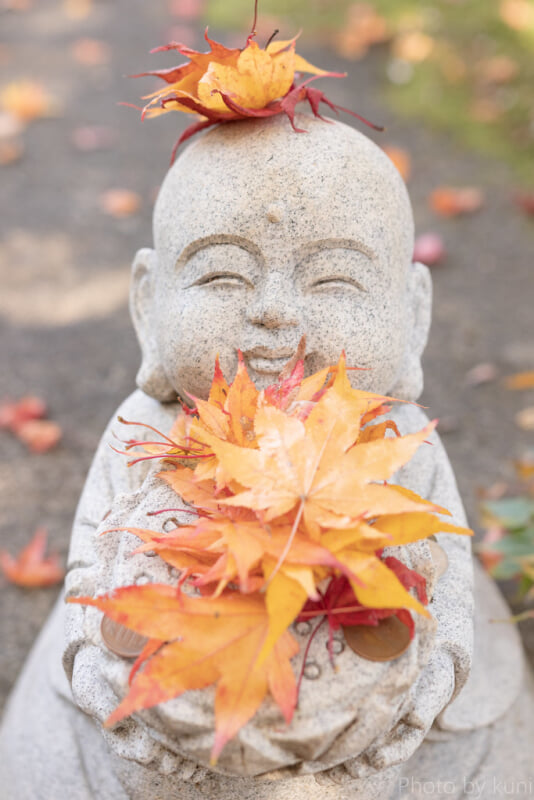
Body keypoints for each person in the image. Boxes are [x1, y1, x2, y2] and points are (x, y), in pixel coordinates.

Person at [0, 116, 531, 800]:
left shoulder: (396, 442)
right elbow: (88, 569)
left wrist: (431, 682)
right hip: (167, 739)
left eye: (333, 280)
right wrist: (98, 665)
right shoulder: (147, 431)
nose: (275, 312)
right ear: (147, 304)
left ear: (414, 315)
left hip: (363, 744)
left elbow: (446, 579)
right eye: (223, 274)